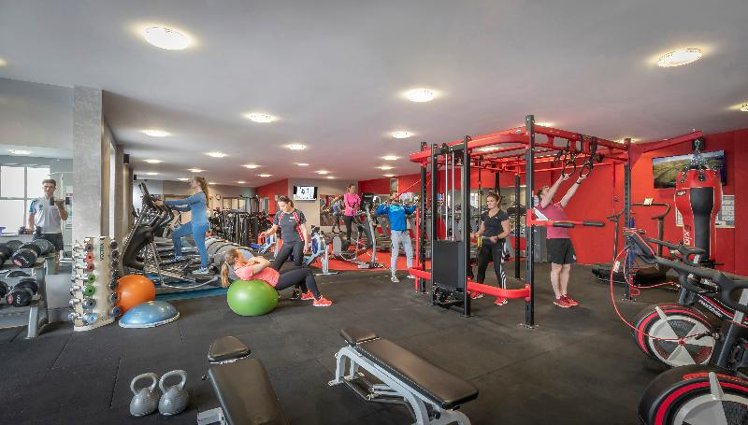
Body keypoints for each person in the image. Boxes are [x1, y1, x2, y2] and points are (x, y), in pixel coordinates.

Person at [535, 173, 586, 308]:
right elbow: (550, 195)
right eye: (546, 190)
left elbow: (568, 195)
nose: (549, 190)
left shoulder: (557, 206)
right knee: (556, 269)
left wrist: (578, 180)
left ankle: (564, 295)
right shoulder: (542, 206)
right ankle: (558, 297)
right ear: (542, 196)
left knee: (567, 267)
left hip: (565, 239)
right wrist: (560, 179)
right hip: (555, 240)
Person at [220, 248, 332, 307]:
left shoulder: (242, 266)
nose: (243, 255)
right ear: (236, 259)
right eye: (241, 254)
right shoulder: (245, 270)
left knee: (302, 267)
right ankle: (318, 299)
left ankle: (306, 293)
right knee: (307, 272)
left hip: (275, 275)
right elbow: (266, 262)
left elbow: (260, 259)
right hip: (277, 282)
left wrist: (253, 260)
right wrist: (254, 259)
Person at [160, 176, 210, 275]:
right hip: (194, 223)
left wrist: (164, 202)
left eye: (192, 181)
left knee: (201, 247)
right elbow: (186, 208)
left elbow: (183, 201)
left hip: (200, 224)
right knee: (175, 235)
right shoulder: (196, 196)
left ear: (198, 183)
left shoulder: (200, 195)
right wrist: (173, 207)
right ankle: (178, 256)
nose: (190, 183)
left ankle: (204, 268)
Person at [470, 192, 512, 306]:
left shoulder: (502, 214)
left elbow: (507, 231)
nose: (489, 203)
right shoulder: (485, 214)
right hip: (486, 244)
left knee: (498, 269)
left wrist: (497, 237)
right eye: (488, 201)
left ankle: (503, 296)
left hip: (498, 244)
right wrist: (476, 234)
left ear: (497, 201)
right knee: (481, 267)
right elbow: (482, 229)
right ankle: (479, 291)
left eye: (491, 201)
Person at [376, 191, 416, 282]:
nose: (397, 196)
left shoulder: (402, 207)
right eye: (395, 195)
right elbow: (378, 212)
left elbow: (410, 211)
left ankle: (411, 273)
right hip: (395, 234)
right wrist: (384, 203)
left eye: (398, 195)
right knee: (395, 255)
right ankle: (393, 275)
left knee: (410, 254)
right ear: (391, 197)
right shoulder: (389, 207)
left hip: (405, 233)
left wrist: (414, 205)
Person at [260, 196, 310, 270]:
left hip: (298, 241)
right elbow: (274, 228)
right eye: (280, 206)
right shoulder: (279, 214)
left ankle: (302, 275)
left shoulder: (298, 213)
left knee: (298, 263)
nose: (281, 208)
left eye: (283, 206)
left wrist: (306, 244)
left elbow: (304, 230)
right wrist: (267, 233)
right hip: (286, 243)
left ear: (289, 203)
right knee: (276, 264)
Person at [27, 178, 68, 265]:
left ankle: (55, 272)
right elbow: (31, 216)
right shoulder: (35, 201)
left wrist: (60, 206)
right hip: (39, 233)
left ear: (54, 188)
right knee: (35, 256)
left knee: (55, 258)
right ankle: (37, 273)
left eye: (51, 187)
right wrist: (31, 227)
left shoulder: (59, 201)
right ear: (42, 187)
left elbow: (64, 218)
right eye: (46, 186)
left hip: (55, 233)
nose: (48, 189)